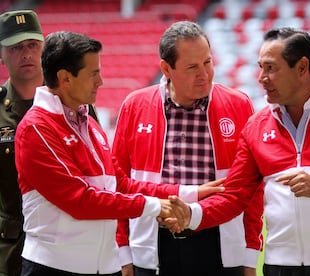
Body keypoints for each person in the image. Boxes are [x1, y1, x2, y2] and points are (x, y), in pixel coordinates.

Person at [174, 27, 310, 276]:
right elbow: (234, 196)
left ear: (302, 67)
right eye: (260, 67)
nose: (261, 77)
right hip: (280, 266)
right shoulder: (256, 126)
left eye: (270, 68)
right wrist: (192, 215)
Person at [15, 30, 224, 276]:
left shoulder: (90, 125)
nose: (100, 81)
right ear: (65, 78)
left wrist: (188, 193)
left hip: (104, 267)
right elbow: (81, 201)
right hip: (54, 268)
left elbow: (119, 186)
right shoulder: (36, 128)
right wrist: (155, 206)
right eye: (93, 74)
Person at [112, 21, 263, 276]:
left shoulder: (239, 105)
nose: (203, 74)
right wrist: (123, 252)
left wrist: (250, 256)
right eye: (192, 67)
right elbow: (118, 185)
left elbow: (252, 189)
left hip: (219, 241)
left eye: (207, 62)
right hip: (152, 244)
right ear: (166, 68)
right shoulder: (134, 106)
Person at [0, 10, 102, 276]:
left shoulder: (76, 104)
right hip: (16, 247)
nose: (26, 54)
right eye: (15, 48)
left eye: (32, 45)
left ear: (44, 49)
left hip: (72, 243)